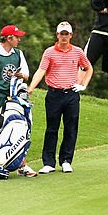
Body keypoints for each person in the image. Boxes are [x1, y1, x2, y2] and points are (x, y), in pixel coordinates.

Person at [27, 21, 93, 174]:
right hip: (54, 94)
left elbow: (88, 68)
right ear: (57, 35)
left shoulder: (77, 52)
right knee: (52, 129)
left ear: (71, 35)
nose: (64, 37)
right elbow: (41, 71)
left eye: (66, 34)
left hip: (71, 94)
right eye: (61, 34)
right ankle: (49, 162)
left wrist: (83, 84)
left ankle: (66, 160)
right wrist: (31, 88)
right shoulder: (49, 52)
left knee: (71, 128)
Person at [0, 24, 36, 176]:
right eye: (17, 37)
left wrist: (20, 75)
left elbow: (26, 74)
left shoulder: (18, 54)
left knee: (17, 128)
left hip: (14, 97)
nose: (19, 40)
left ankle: (22, 165)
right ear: (9, 38)